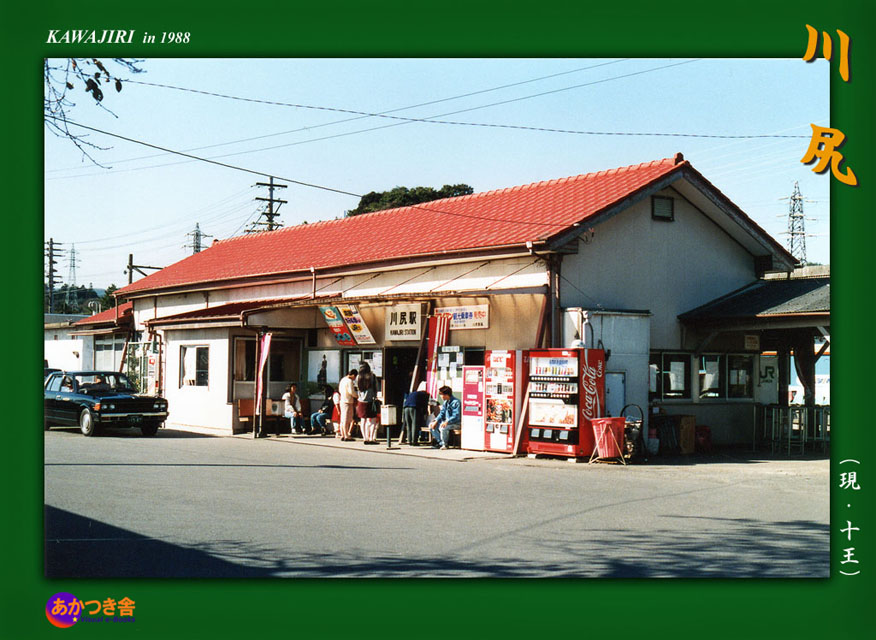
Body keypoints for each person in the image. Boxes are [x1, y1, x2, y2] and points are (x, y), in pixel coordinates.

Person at [356, 362, 380, 444]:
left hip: (361, 401)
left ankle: (365, 438)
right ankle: (371, 438)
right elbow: (376, 387)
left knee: (363, 420)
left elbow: (357, 389)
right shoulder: (372, 376)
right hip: (371, 401)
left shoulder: (358, 377)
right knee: (373, 420)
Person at [431, 385, 461, 450]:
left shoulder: (456, 402)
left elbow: (456, 415)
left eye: (442, 395)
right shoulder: (445, 402)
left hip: (455, 423)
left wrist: (447, 421)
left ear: (447, 394)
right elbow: (442, 413)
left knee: (443, 427)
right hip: (446, 422)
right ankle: (440, 442)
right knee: (432, 425)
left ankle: (445, 444)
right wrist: (436, 421)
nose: (441, 397)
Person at [402, 381, 430, 446]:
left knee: (409, 425)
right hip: (413, 408)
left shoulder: (413, 393)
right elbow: (424, 405)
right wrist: (424, 413)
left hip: (406, 407)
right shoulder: (424, 394)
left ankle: (409, 440)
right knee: (415, 424)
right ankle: (414, 441)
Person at [338, 368, 358, 441]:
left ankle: (343, 434)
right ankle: (346, 435)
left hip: (342, 400)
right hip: (348, 401)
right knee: (346, 419)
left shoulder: (342, 379)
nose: (355, 378)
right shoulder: (349, 381)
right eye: (355, 376)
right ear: (353, 375)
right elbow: (351, 391)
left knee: (343, 419)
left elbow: (340, 390)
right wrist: (357, 396)